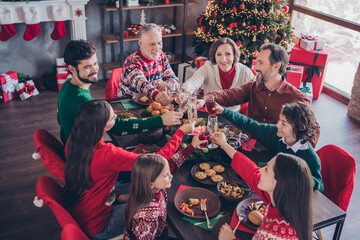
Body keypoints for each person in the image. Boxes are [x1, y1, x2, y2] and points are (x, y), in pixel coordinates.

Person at [64, 100, 203, 239]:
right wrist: (179, 133)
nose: (116, 118)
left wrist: (120, 197)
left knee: (142, 188)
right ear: (102, 125)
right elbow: (155, 161)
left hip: (83, 208)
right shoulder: (109, 154)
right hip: (99, 225)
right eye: (113, 118)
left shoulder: (75, 138)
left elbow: (98, 179)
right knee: (155, 208)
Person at [58, 39, 182, 144]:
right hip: (84, 156)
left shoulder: (67, 87)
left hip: (77, 145)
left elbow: (60, 119)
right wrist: (161, 120)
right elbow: (117, 127)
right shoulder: (83, 101)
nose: (95, 69)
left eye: (95, 63)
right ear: (72, 69)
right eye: (87, 67)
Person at [207, 43, 320, 147]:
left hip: (275, 153)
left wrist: (294, 149)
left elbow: (313, 131)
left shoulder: (297, 98)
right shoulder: (253, 86)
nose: (255, 68)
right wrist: (207, 99)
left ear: (276, 66)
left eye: (260, 63)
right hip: (249, 144)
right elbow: (230, 95)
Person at [211, 130, 313, 240]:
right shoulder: (283, 199)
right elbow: (250, 171)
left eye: (266, 169)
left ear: (278, 183)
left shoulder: (276, 235)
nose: (260, 171)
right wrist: (224, 144)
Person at [212, 101, 323, 192]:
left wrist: (299, 175)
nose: (277, 125)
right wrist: (224, 111)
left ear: (298, 128)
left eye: (283, 123)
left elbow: (320, 187)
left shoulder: (311, 157)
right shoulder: (275, 132)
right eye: (279, 120)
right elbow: (250, 124)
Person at [124, 131, 206, 240]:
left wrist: (192, 146)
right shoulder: (148, 217)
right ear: (150, 183)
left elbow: (173, 164)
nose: (171, 176)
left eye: (168, 172)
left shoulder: (148, 187)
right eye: (166, 175)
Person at [182, 37, 253, 112]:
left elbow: (257, 89)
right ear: (214, 56)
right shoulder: (208, 67)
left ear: (234, 55)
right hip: (211, 114)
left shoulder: (245, 71)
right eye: (219, 54)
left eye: (228, 54)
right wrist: (185, 92)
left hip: (233, 116)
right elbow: (192, 82)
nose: (223, 59)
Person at [117, 23, 179, 106]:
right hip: (128, 105)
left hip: (152, 103)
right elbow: (142, 84)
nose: (157, 48)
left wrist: (167, 86)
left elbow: (174, 80)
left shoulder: (162, 56)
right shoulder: (131, 62)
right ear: (141, 43)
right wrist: (156, 94)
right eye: (152, 44)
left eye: (159, 43)